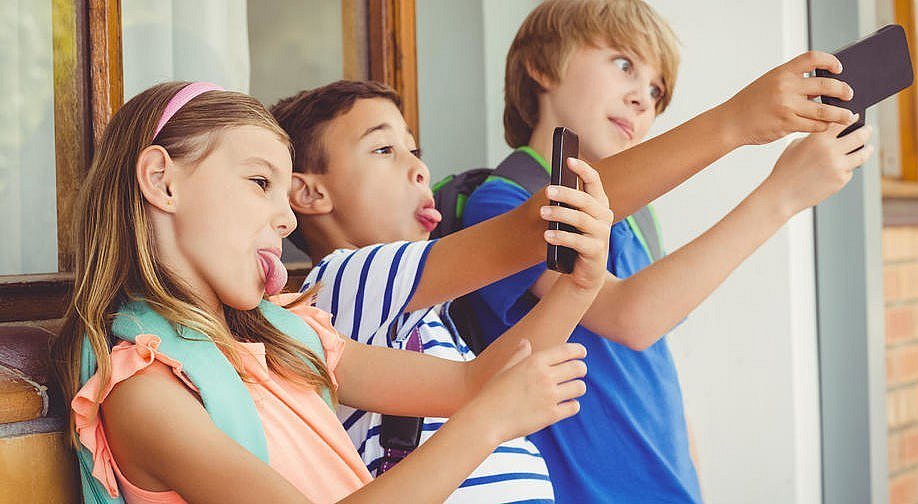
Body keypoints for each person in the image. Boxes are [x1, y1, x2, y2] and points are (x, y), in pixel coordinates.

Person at [50, 81, 605, 504]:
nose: (286, 219)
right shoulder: (144, 395)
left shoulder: (290, 338)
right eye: (260, 182)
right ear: (161, 181)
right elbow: (482, 403)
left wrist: (578, 288)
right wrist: (487, 423)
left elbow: (471, 383)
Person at [457, 1, 874, 501]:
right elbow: (632, 318)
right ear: (541, 66)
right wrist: (780, 196)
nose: (642, 99)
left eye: (656, 90)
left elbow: (655, 366)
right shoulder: (503, 204)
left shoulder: (633, 215)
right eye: (623, 64)